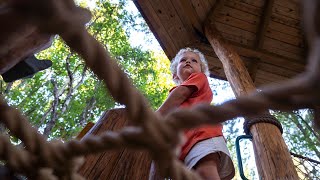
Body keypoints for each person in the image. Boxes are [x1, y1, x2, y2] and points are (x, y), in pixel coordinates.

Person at [156, 47, 235, 180]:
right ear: (175, 75)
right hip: (186, 147)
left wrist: (156, 117)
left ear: (201, 71)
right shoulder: (178, 101)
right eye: (183, 60)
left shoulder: (198, 78)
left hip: (202, 136)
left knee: (205, 172)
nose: (188, 62)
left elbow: (179, 94)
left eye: (194, 61)